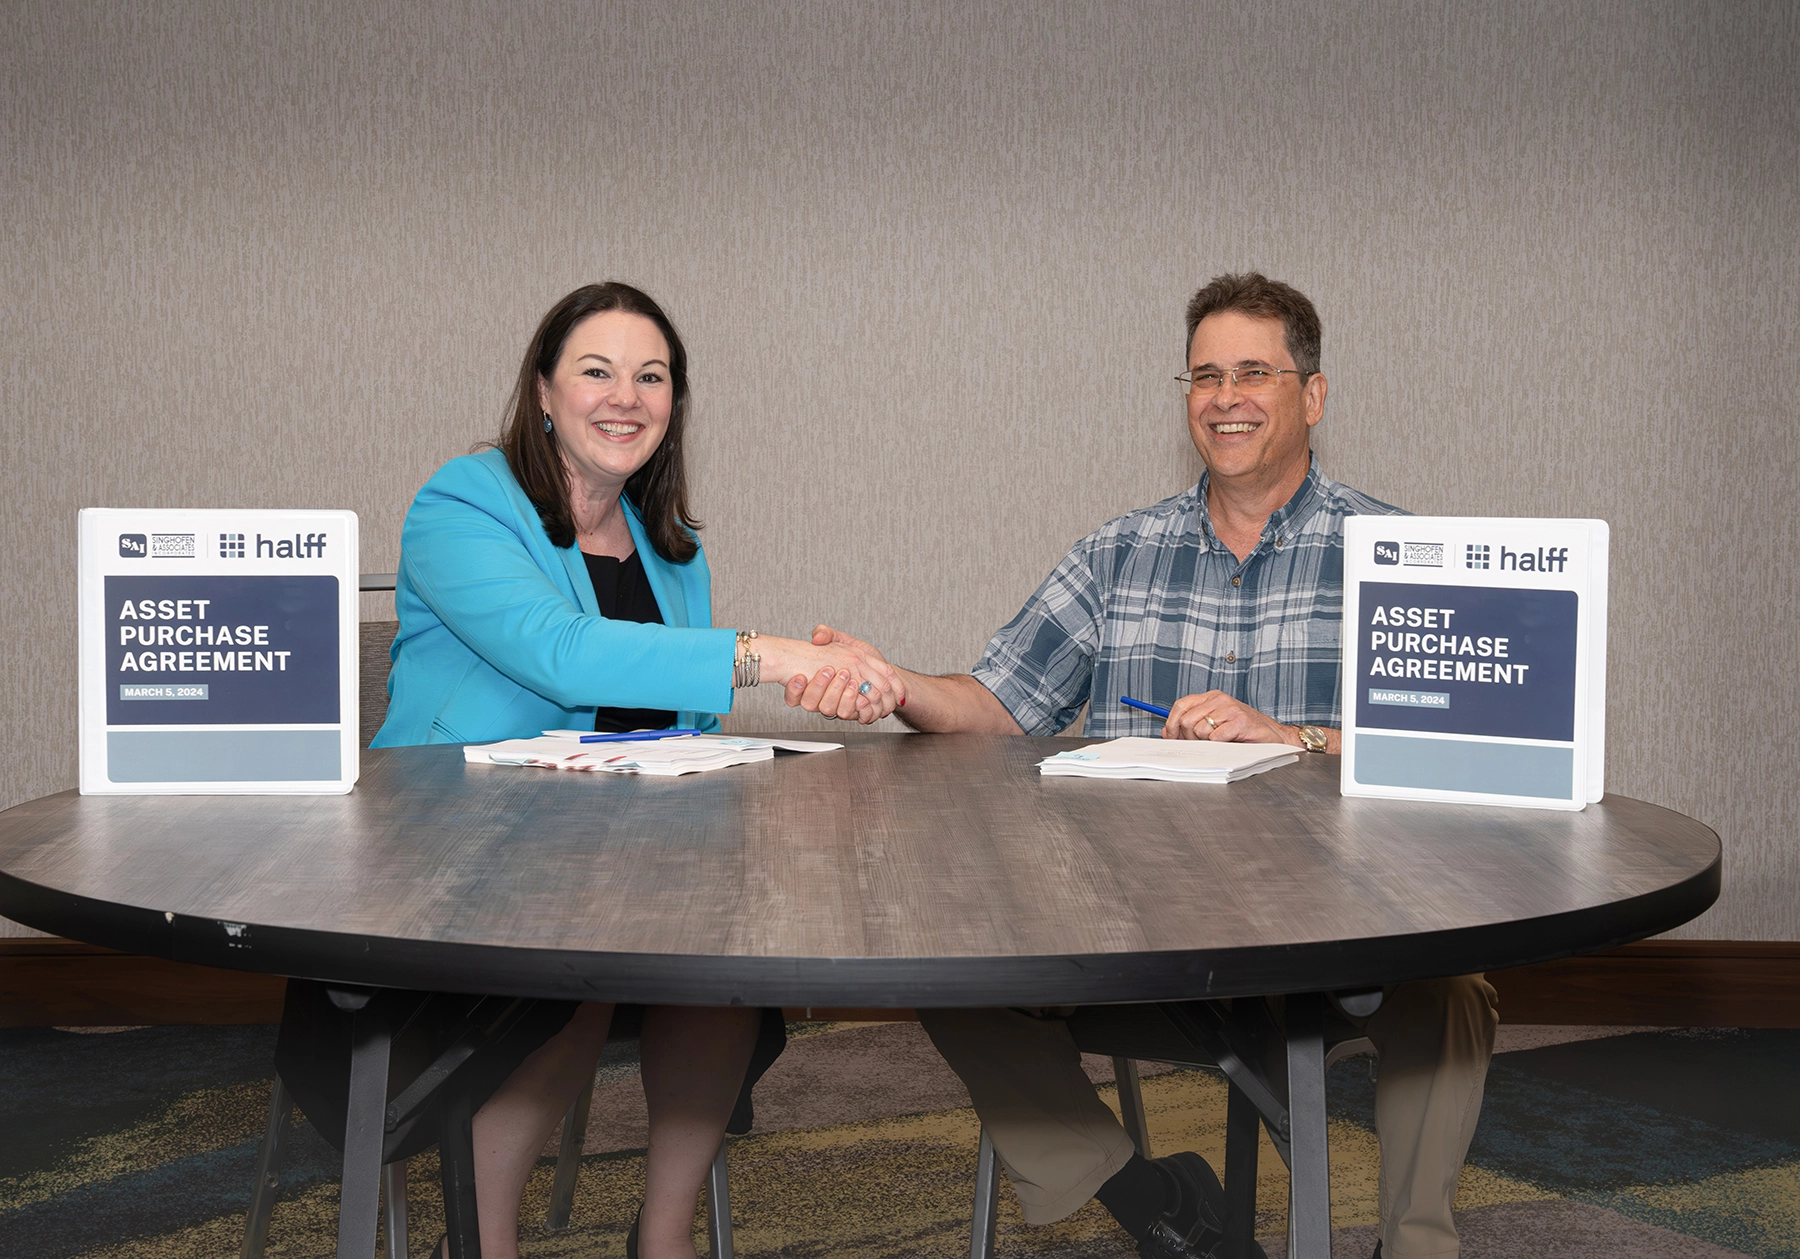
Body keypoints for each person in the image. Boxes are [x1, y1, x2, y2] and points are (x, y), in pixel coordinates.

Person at [788, 274, 1498, 1259]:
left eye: (1254, 371)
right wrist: (888, 679)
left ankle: (1416, 1246)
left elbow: (1460, 752)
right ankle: (1152, 1202)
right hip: (1130, 929)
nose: (1224, 396)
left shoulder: (1405, 554)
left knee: (1454, 991)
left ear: (1315, 393)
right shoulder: (1119, 552)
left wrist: (1296, 738)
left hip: (1337, 933)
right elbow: (998, 704)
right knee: (948, 966)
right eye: (1204, 374)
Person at [363, 281, 903, 1259]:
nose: (627, 396)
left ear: (674, 402)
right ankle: (478, 1242)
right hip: (457, 838)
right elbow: (562, 651)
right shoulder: (465, 499)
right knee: (586, 950)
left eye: (651, 376)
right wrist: (771, 656)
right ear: (542, 391)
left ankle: (664, 1235)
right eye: (597, 371)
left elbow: (681, 719)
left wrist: (826, 688)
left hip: (620, 842)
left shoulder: (671, 546)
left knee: (722, 947)